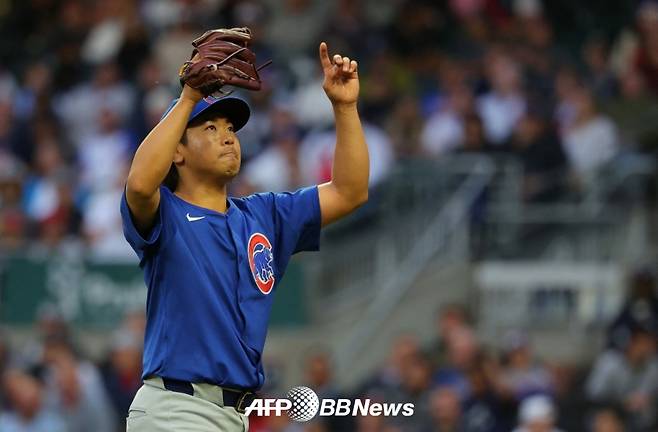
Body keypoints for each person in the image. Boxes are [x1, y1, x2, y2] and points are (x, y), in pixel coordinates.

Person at [120, 38, 369, 431]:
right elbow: (137, 186)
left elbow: (349, 191)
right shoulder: (166, 212)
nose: (228, 135)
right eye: (211, 127)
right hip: (177, 409)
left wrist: (345, 107)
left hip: (235, 416)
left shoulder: (264, 214)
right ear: (177, 152)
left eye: (231, 127)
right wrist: (188, 98)